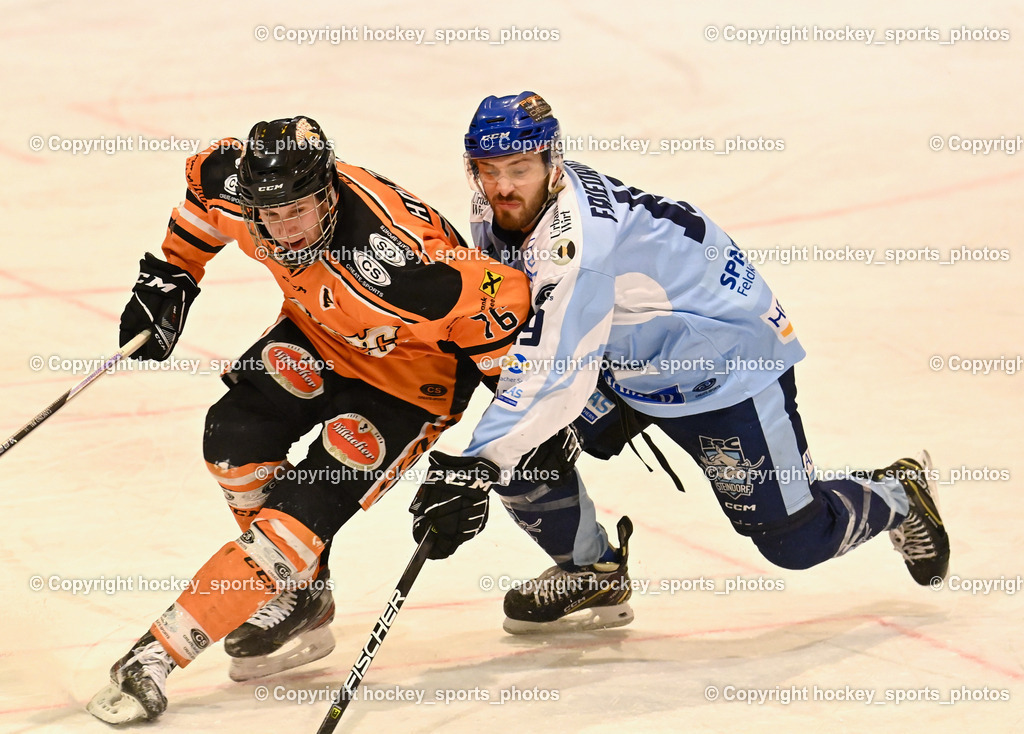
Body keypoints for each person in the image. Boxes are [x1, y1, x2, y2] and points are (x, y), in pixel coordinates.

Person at [408, 92, 951, 634]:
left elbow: (556, 369)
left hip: (725, 366)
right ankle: (591, 571)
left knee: (794, 541)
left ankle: (898, 493)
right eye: (488, 170)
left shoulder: (577, 244)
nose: (502, 186)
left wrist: (475, 465)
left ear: (553, 163)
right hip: (629, 351)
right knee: (521, 441)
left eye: (518, 168)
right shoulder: (502, 205)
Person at [87, 116, 531, 723]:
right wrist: (173, 273)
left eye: (298, 210)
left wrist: (508, 434)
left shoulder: (400, 265)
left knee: (294, 521)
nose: (286, 229)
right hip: (320, 336)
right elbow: (202, 200)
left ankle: (157, 656)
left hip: (409, 381)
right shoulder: (241, 192)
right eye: (271, 214)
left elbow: (504, 298)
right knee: (232, 439)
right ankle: (302, 592)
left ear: (328, 192)